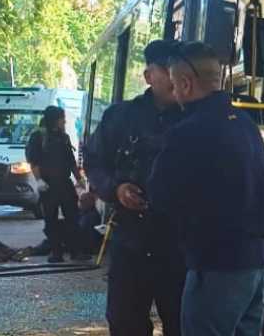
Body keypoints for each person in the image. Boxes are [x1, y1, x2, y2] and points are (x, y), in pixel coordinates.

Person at [148, 42, 264, 336]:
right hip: (257, 263)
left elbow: (160, 195)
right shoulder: (246, 125)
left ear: (186, 84)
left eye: (175, 85)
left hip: (216, 265)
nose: (174, 93)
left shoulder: (188, 132)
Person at [83, 39, 186, 336]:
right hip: (132, 240)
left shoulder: (195, 119)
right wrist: (116, 189)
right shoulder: (121, 117)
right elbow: (94, 162)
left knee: (183, 323)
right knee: (126, 323)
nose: (172, 77)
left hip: (180, 245)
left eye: (178, 70)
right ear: (148, 76)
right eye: (165, 70)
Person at [26, 105, 88, 263]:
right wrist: (39, 180)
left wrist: (79, 179)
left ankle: (76, 251)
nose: (64, 121)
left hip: (64, 183)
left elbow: (71, 161)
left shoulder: (63, 137)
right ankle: (56, 252)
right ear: (54, 120)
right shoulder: (38, 137)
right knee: (51, 219)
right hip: (48, 185)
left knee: (73, 217)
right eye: (62, 118)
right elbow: (33, 161)